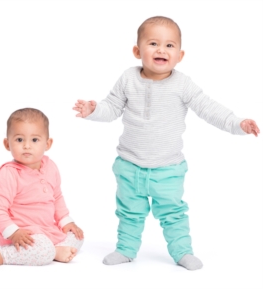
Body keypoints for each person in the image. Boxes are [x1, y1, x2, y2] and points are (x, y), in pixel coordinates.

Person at [72, 16, 260, 270]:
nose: (161, 50)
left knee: (173, 214)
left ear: (180, 55)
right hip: (129, 165)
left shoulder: (183, 84)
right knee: (129, 213)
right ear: (138, 51)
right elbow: (112, 107)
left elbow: (209, 108)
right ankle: (126, 250)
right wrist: (93, 110)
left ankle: (182, 251)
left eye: (170, 46)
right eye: (153, 43)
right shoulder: (128, 78)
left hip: (168, 168)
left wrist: (238, 124)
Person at [0, 108, 84, 267]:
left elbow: (57, 197)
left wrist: (66, 222)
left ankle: (54, 249)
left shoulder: (50, 167)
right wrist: (14, 232)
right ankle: (4, 255)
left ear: (48, 143)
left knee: (76, 235)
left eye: (35, 140)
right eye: (19, 140)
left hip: (47, 229)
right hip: (24, 234)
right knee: (43, 250)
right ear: (7, 144)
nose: (27, 146)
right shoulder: (9, 173)